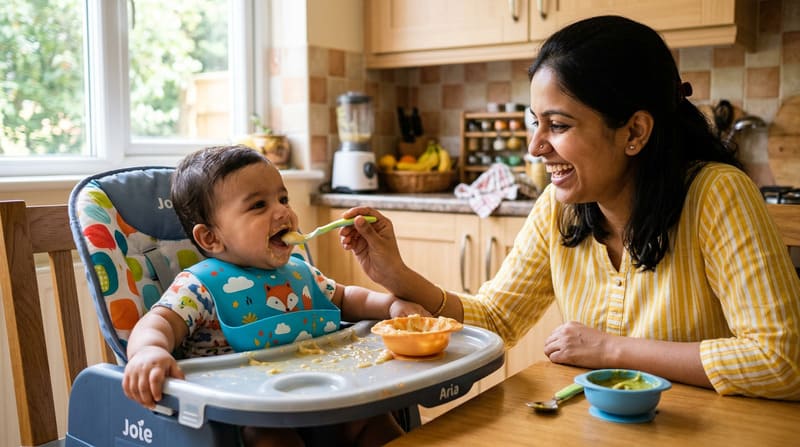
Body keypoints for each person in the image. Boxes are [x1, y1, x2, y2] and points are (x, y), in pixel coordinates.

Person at [339, 15, 800, 400]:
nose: (536, 147)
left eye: (557, 125)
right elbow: (497, 319)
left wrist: (611, 350)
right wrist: (397, 275)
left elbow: (781, 360)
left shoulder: (717, 194)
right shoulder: (558, 209)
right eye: (535, 123)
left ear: (635, 132)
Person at [122, 145, 428, 447]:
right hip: (247, 414)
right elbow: (158, 321)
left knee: (371, 419)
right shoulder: (199, 286)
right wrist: (148, 352)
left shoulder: (299, 272)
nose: (283, 211)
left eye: (283, 199)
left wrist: (391, 305)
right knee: (268, 438)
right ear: (210, 237)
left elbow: (347, 299)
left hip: (322, 396)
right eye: (258, 205)